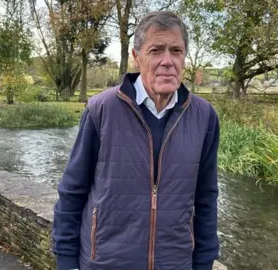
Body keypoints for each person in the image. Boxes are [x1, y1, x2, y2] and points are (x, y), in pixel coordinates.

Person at [51, 10, 220, 270]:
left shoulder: (204, 116)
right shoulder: (102, 109)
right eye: (156, 50)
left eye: (176, 50)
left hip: (175, 263)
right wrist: (67, 261)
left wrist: (204, 262)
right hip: (106, 263)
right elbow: (73, 189)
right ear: (136, 56)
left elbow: (206, 198)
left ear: (184, 56)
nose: (167, 61)